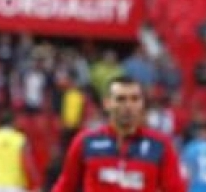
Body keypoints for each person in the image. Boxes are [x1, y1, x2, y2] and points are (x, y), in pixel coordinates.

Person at [51, 76, 184, 192]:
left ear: (142, 104)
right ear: (107, 103)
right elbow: (65, 187)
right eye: (121, 99)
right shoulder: (85, 141)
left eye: (135, 99)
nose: (128, 105)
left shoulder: (160, 145)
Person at [0, 110, 40, 192]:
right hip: (15, 184)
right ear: (13, 122)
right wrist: (37, 182)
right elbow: (28, 163)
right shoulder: (20, 139)